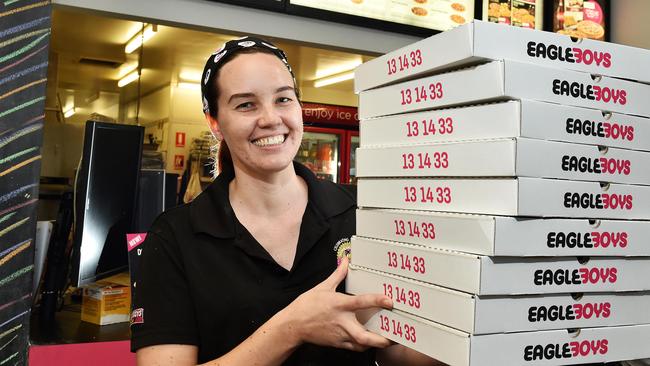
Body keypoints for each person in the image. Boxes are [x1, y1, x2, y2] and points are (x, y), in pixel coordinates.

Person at [130, 36, 441, 366]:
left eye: (283, 99)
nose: (270, 118)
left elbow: (396, 353)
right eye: (246, 104)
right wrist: (292, 327)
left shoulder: (361, 212)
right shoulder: (175, 237)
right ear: (215, 123)